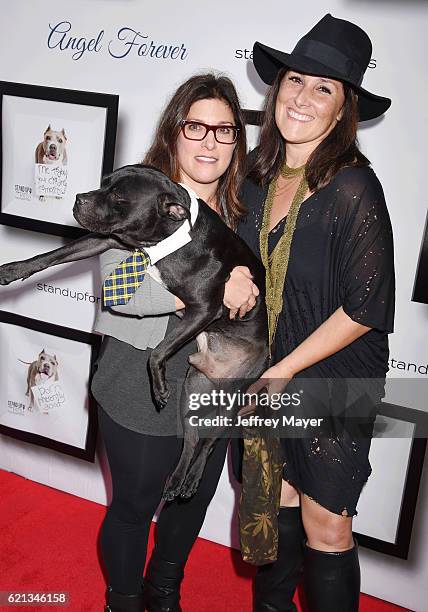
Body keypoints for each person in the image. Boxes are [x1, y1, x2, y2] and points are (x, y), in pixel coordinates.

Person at [238, 14, 395, 612]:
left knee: (326, 523)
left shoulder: (354, 186)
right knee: (275, 500)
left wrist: (284, 371)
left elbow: (365, 309)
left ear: (342, 109)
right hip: (271, 366)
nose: (302, 98)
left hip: (333, 375)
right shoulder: (255, 175)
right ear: (276, 89)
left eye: (323, 88)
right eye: (295, 80)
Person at [91, 73, 258, 612]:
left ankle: (164, 594)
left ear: (237, 141)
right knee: (133, 509)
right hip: (139, 384)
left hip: (213, 389)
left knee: (190, 504)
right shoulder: (137, 194)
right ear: (174, 131)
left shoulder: (246, 212)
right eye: (196, 126)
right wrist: (214, 287)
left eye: (224, 130)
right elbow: (119, 290)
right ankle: (122, 601)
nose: (209, 141)